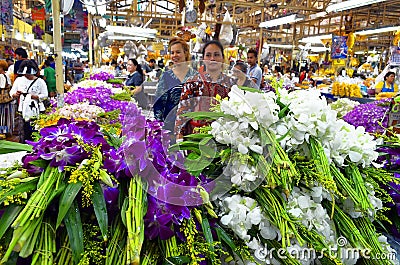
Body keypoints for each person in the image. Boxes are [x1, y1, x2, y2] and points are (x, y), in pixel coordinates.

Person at [175, 40, 235, 138]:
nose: (212, 58)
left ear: (223, 58)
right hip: (195, 138)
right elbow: (183, 109)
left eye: (216, 55)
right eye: (208, 55)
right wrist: (179, 133)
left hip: (223, 138)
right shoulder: (193, 82)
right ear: (203, 59)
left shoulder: (231, 84)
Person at [153, 37, 197, 134]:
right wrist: (158, 126)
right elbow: (158, 102)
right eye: (172, 53)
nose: (174, 55)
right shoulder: (166, 76)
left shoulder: (195, 76)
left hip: (191, 126)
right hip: (169, 126)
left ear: (185, 53)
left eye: (178, 52)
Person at [9, 60, 48, 142]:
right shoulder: (19, 80)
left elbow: (45, 95)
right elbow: (12, 92)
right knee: (24, 130)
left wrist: (36, 96)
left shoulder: (40, 82)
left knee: (36, 130)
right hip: (22, 109)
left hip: (37, 109)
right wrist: (15, 94)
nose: (27, 76)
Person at [0, 60, 13, 139]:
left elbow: (1, 87)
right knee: (6, 116)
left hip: (2, 99)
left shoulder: (1, 76)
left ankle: (2, 132)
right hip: (7, 99)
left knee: (2, 116)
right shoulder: (6, 75)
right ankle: (6, 131)